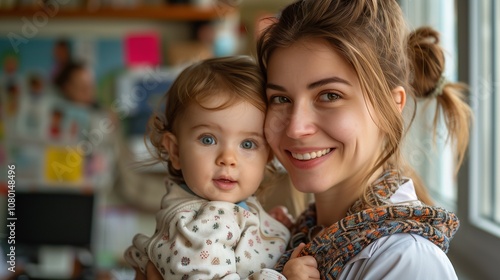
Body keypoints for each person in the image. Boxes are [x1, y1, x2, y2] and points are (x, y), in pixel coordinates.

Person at [253, 0, 472, 279]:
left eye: (330, 95)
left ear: (392, 105)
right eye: (281, 99)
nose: (296, 128)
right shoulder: (296, 237)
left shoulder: (407, 263)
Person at [124, 56, 290, 280]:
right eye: (208, 140)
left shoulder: (220, 209)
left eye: (248, 144)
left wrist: (267, 228)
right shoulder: (200, 226)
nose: (228, 158)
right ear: (175, 151)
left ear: (267, 157)